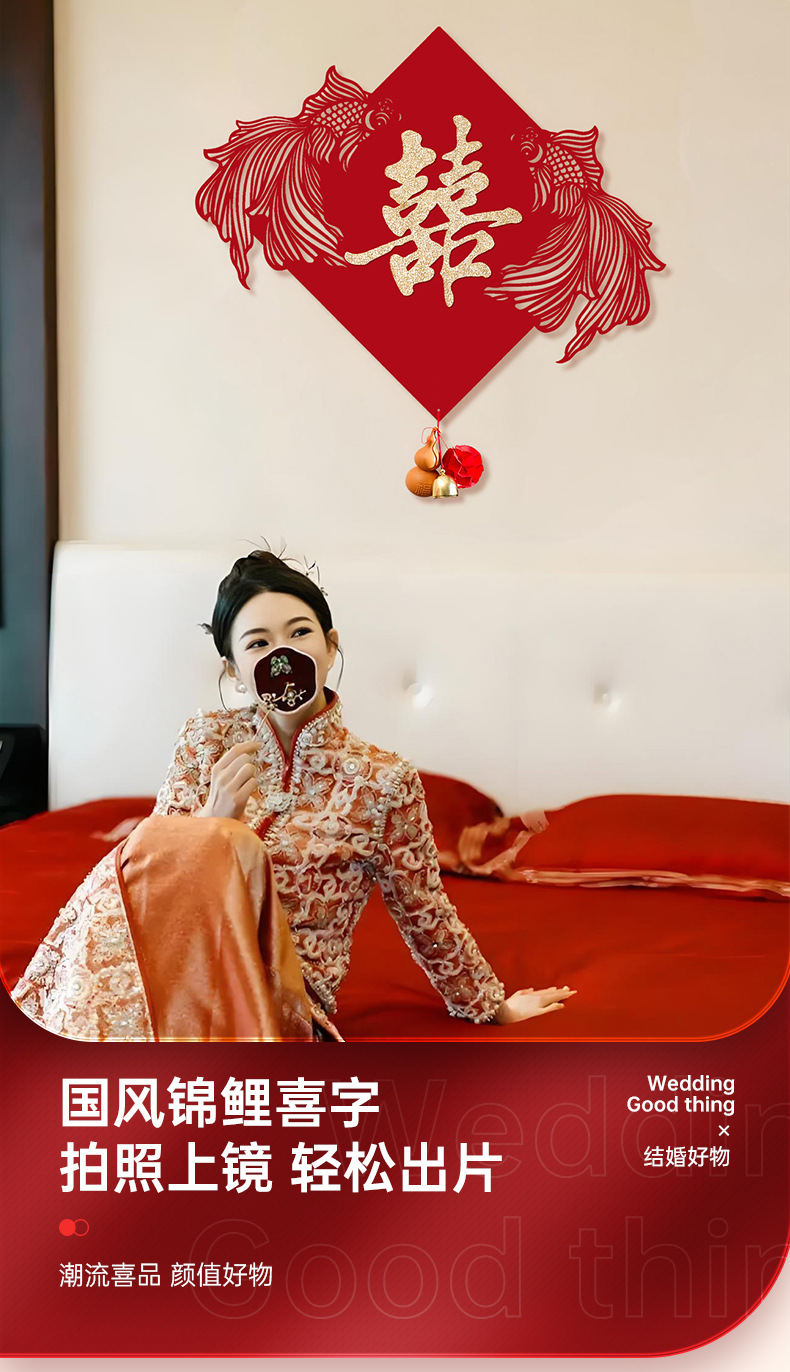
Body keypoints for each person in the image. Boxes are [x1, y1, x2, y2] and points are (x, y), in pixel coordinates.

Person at [12, 551, 576, 1042]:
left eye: (300, 633)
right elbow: (147, 885)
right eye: (258, 643)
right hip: (176, 965)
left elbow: (424, 910)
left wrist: (491, 1006)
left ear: (330, 647)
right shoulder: (205, 740)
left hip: (278, 997)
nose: (282, 653)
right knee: (147, 852)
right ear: (235, 670)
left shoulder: (384, 781)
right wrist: (211, 823)